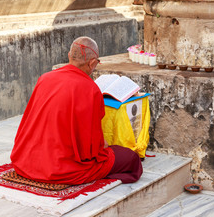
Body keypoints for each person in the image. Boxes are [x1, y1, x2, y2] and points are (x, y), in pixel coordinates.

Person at [10, 36, 142, 185]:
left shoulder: (44, 78)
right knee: (131, 159)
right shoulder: (90, 89)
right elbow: (92, 149)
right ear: (92, 63)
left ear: (69, 56)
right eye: (96, 63)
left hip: (26, 161)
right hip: (59, 169)